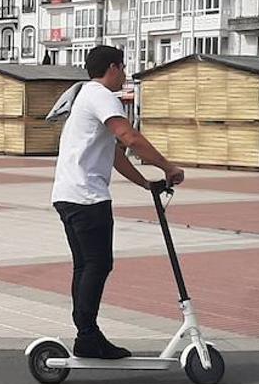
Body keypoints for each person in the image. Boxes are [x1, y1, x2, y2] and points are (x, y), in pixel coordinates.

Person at [51, 45, 185, 360]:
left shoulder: (85, 96)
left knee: (86, 265)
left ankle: (87, 334)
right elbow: (129, 137)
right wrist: (168, 167)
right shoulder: (101, 95)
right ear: (113, 67)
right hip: (87, 198)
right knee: (97, 264)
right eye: (123, 68)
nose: (124, 75)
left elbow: (114, 153)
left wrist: (146, 183)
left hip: (69, 195)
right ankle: (87, 335)